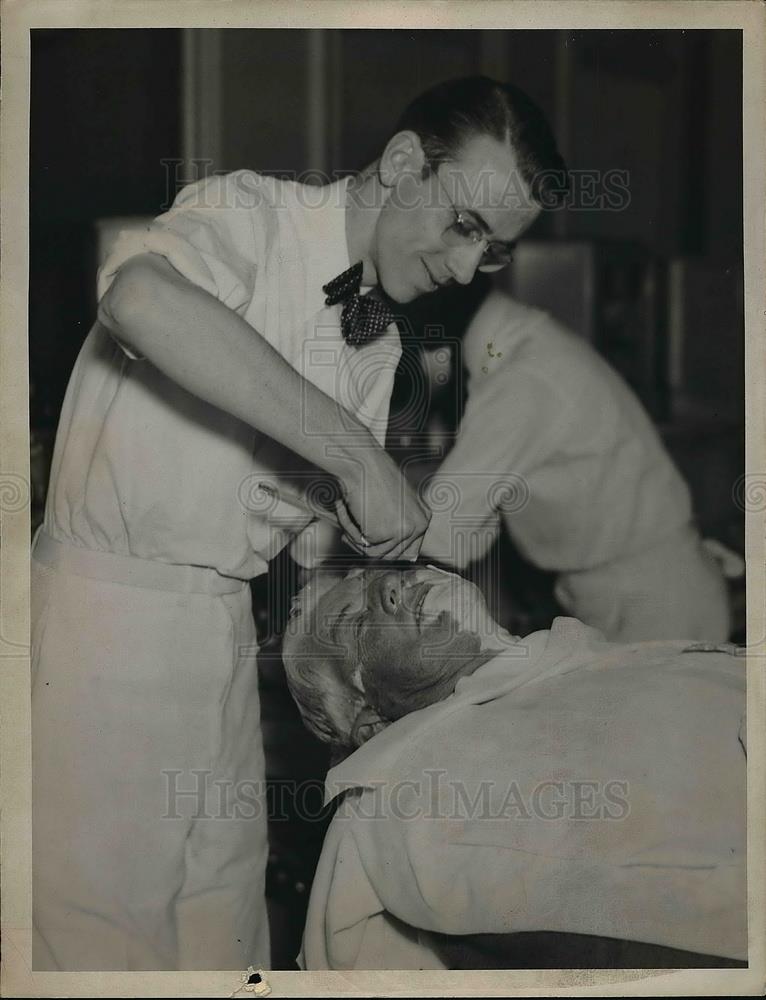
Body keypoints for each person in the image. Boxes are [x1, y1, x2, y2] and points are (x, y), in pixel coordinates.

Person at [31, 77, 567, 970]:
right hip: (102, 629)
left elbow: (319, 555)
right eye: (465, 225)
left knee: (225, 931)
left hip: (221, 636)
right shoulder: (249, 216)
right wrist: (358, 457)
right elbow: (138, 302)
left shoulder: (378, 343)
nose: (468, 269)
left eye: (495, 251)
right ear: (402, 163)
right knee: (99, 947)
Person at [281, 566, 746, 970]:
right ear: (372, 724)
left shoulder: (564, 668)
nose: (387, 583)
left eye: (369, 578)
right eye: (358, 624)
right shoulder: (427, 794)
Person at [418, 281, 733, 642]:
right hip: (634, 587)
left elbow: (440, 530)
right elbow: (466, 526)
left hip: (653, 601)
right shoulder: (527, 345)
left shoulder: (523, 378)